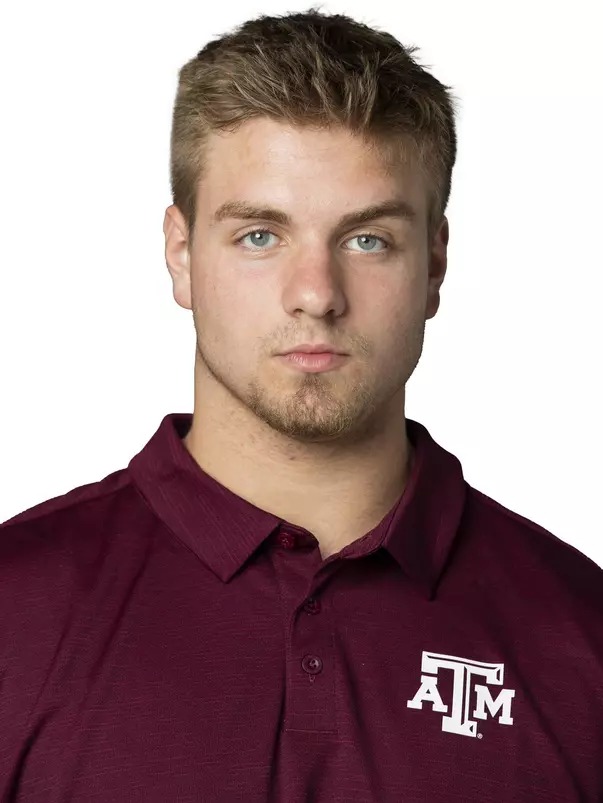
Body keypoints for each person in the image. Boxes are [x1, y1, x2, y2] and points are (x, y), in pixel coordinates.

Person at [1, 7, 602, 802]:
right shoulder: (16, 609)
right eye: (259, 235)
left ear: (434, 262)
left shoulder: (579, 633)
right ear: (180, 254)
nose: (315, 293)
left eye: (366, 239)